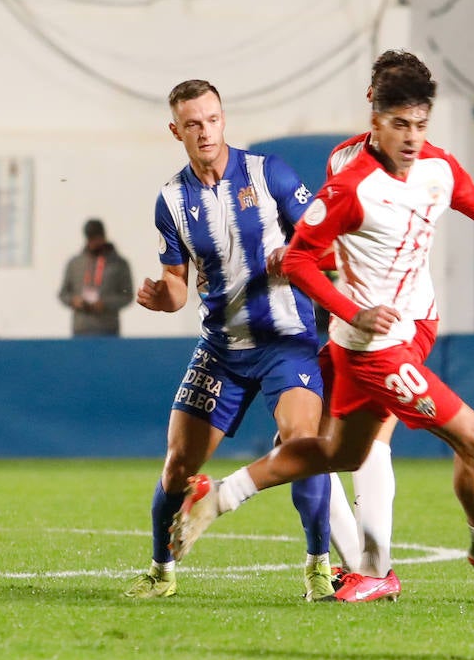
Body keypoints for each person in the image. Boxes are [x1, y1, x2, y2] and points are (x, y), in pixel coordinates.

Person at [166, 52, 474, 591]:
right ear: (375, 120)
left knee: (339, 451)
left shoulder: (438, 167)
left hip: (413, 330)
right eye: (399, 125)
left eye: (420, 124)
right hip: (373, 347)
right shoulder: (350, 184)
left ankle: (222, 495)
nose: (412, 137)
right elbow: (299, 258)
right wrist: (354, 311)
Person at [123, 79, 355, 604]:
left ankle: (319, 566)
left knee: (303, 446)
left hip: (286, 342)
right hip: (222, 350)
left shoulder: (269, 173)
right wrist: (164, 296)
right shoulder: (171, 201)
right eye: (193, 124)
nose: (205, 131)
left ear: (223, 119)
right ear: (175, 130)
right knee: (178, 466)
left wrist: (298, 258)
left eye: (212, 119)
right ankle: (162, 571)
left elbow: (326, 248)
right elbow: (179, 286)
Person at [57, 219, 133, 336]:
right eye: (90, 238)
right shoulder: (75, 263)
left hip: (108, 329)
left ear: (103, 237)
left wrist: (105, 303)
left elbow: (127, 295)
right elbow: (63, 294)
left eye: (96, 237)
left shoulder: (119, 264)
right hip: (81, 328)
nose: (93, 242)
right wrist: (74, 300)